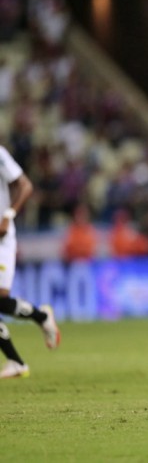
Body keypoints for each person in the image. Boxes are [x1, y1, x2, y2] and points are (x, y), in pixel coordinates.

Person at [0, 145, 60, 378]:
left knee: (1, 301)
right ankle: (40, 319)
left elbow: (25, 185)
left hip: (2, 237)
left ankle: (40, 320)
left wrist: (8, 216)